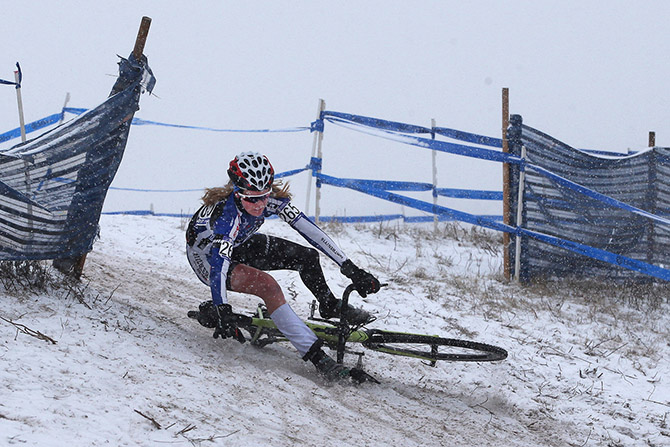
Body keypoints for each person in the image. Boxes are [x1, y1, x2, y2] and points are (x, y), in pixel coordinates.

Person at [186, 151, 381, 381]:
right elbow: (219, 264)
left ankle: (328, 305)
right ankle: (320, 360)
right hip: (207, 258)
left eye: (264, 196)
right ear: (237, 193)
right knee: (268, 286)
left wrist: (350, 268)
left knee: (306, 257)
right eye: (252, 198)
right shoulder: (228, 217)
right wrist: (222, 308)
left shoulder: (271, 200)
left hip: (238, 242)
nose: (259, 205)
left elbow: (310, 232)